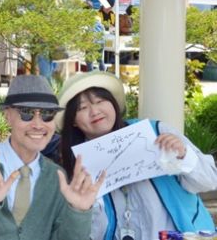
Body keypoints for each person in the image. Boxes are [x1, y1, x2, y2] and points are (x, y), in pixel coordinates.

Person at [0, 74, 104, 240]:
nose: (38, 124)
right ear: (7, 115)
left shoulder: (56, 176)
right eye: (27, 113)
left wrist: (79, 212)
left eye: (47, 114)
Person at [57, 72, 217, 240]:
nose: (94, 111)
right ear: (73, 120)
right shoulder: (79, 165)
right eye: (82, 108)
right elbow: (91, 233)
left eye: (100, 101)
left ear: (113, 104)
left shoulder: (155, 132)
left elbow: (209, 181)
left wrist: (184, 155)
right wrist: (84, 208)